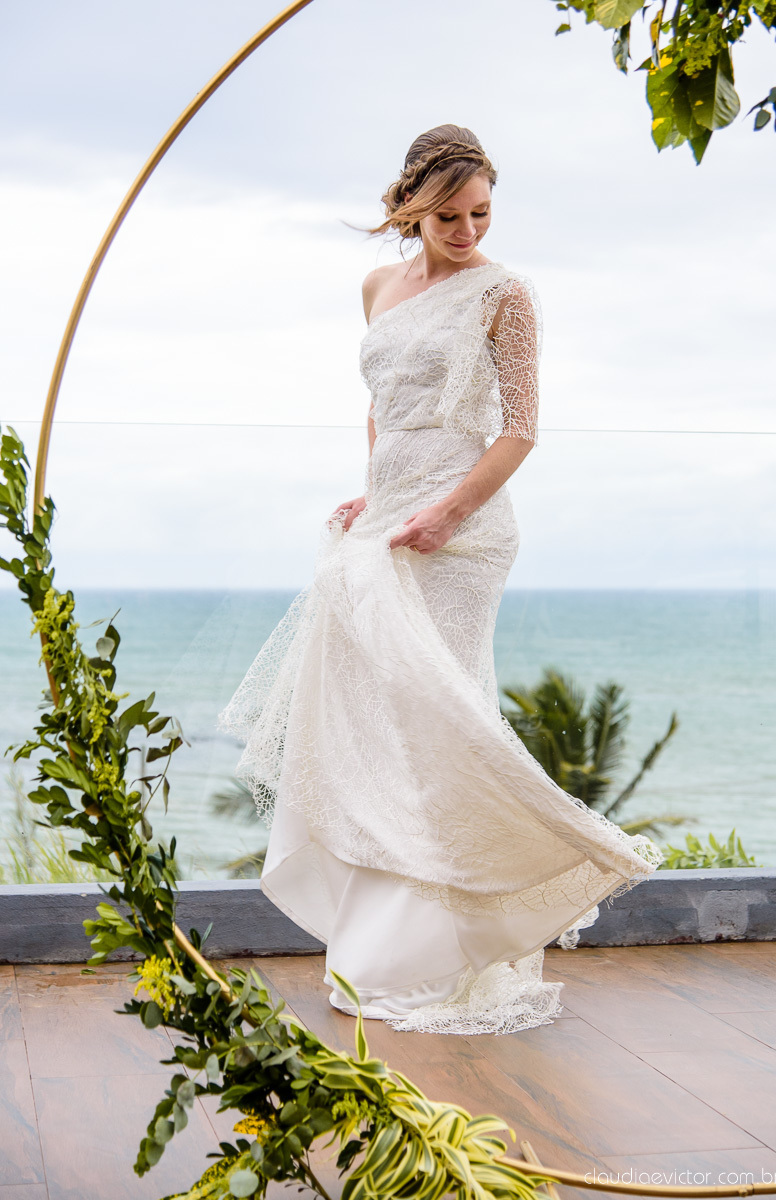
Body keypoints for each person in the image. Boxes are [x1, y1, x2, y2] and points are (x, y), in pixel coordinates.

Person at [218, 124, 663, 1035]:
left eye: (481, 213)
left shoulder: (506, 294)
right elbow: (382, 408)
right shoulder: (377, 286)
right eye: (449, 215)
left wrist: (447, 512)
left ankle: (451, 936)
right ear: (413, 208)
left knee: (440, 724)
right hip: (385, 522)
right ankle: (378, 947)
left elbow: (520, 430)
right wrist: (373, 491)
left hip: (462, 535)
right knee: (373, 728)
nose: (466, 230)